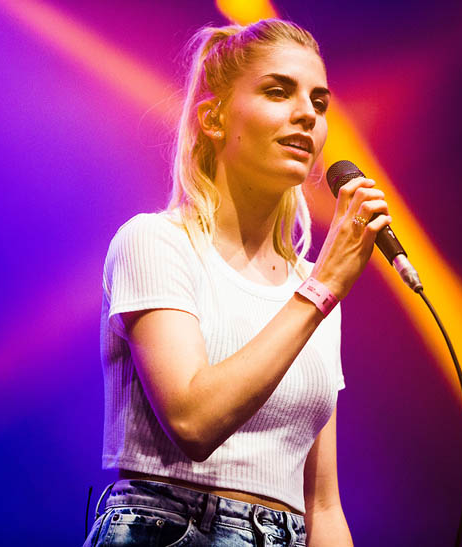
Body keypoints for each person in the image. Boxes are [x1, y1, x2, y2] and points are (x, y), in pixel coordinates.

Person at [85, 18, 390, 547]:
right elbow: (193, 420)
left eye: (319, 103)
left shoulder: (313, 289)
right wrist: (319, 292)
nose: (306, 115)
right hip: (172, 528)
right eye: (278, 92)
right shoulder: (155, 242)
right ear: (214, 118)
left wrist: (318, 292)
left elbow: (321, 503)